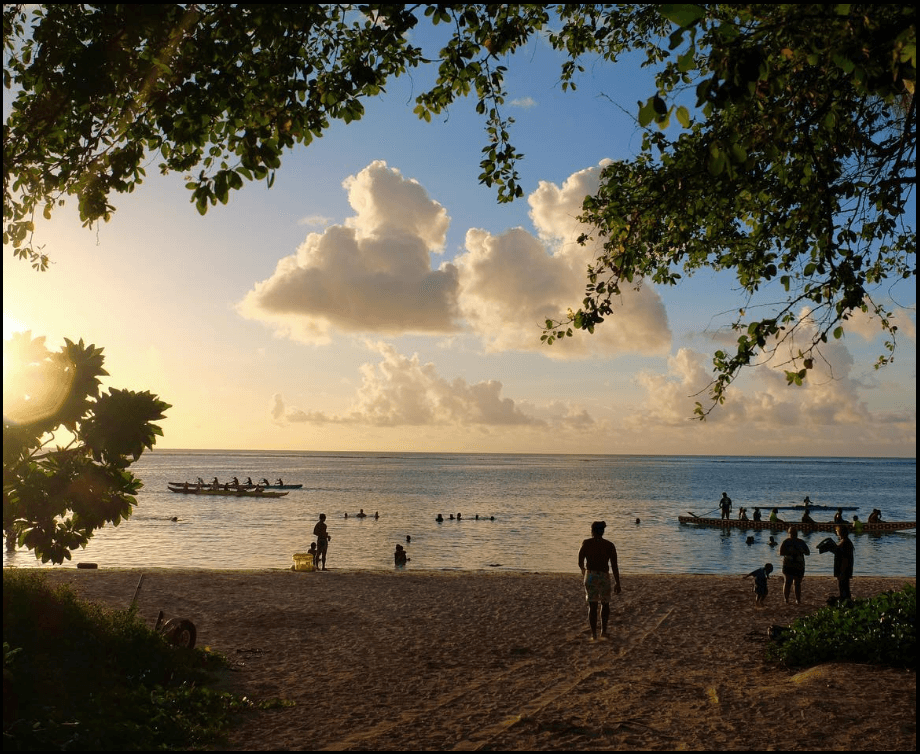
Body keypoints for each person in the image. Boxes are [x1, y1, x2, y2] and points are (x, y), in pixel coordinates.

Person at [577, 521, 621, 641]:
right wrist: (617, 582)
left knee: (592, 605)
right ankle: (603, 632)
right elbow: (614, 565)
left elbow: (580, 561)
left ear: (592, 531)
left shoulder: (586, 543)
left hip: (590, 575)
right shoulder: (609, 545)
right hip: (603, 575)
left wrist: (583, 571)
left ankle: (594, 634)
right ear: (603, 531)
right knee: (605, 603)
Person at [779, 526, 810, 604]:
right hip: (790, 564)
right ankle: (787, 599)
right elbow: (781, 552)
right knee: (788, 582)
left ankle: (797, 600)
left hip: (798, 565)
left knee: (796, 583)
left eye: (794, 533)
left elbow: (807, 552)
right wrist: (791, 552)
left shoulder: (800, 542)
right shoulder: (786, 542)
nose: (793, 535)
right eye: (792, 533)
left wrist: (799, 551)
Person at [833, 525, 854, 601]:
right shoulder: (845, 541)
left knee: (843, 584)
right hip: (843, 566)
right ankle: (844, 598)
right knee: (843, 584)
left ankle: (845, 599)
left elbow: (844, 555)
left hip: (843, 567)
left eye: (837, 531)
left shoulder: (845, 542)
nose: (836, 533)